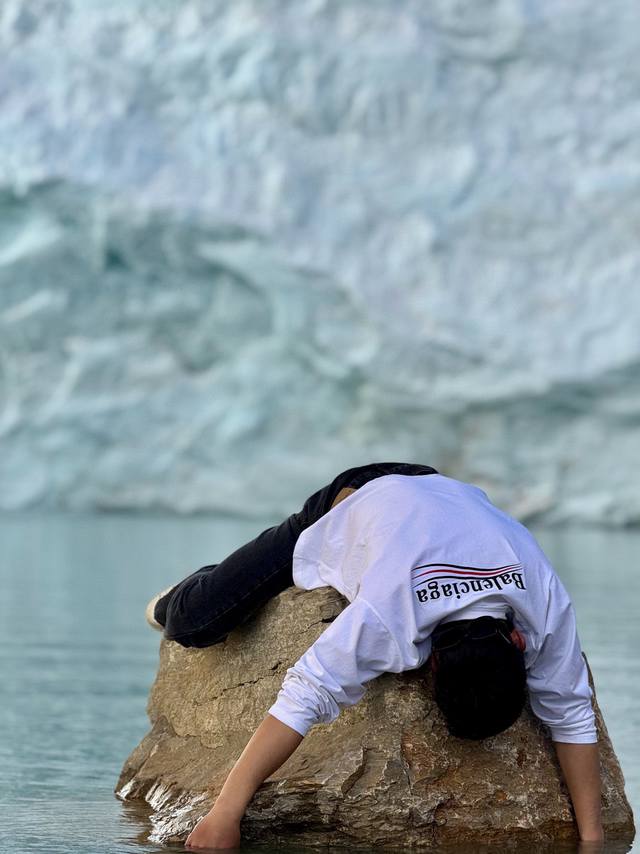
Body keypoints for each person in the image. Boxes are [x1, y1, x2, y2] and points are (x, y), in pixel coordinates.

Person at [144, 462, 604, 849]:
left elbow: (571, 713)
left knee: (244, 587)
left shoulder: (541, 595)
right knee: (196, 620)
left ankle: (233, 581)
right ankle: (191, 591)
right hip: (357, 495)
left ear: (519, 642)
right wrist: (225, 813)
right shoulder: (389, 614)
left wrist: (593, 839)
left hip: (431, 495)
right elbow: (303, 695)